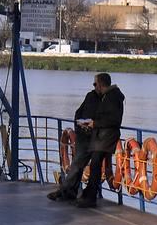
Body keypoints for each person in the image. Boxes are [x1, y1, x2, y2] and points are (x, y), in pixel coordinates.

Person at [47, 73, 124, 208]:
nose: (94, 87)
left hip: (101, 137)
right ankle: (71, 192)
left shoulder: (111, 98)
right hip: (93, 136)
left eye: (95, 84)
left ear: (100, 84)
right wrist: (80, 124)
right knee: (81, 164)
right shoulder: (92, 96)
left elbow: (113, 119)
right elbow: (80, 112)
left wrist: (94, 124)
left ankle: (86, 196)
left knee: (92, 166)